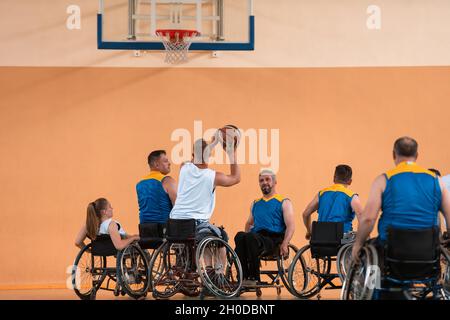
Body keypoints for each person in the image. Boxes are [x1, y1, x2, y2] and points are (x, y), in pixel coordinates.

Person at [351, 137, 450, 297]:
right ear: (417, 155)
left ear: (393, 155)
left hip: (391, 254)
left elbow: (368, 218)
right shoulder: (436, 182)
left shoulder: (384, 180)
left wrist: (358, 244)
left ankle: (374, 292)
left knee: (369, 253)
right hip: (428, 254)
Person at [170, 132, 240, 243]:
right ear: (209, 156)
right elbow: (236, 178)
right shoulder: (213, 176)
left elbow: (194, 159)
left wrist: (212, 144)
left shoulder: (184, 168)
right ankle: (220, 261)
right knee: (222, 236)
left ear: (193, 156)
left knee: (204, 234)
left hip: (174, 224)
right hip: (196, 225)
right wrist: (232, 153)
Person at [234, 169, 295, 285]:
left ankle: (254, 278)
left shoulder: (284, 202)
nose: (264, 182)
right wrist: (248, 239)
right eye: (261, 180)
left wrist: (285, 243)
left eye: (267, 179)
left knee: (251, 238)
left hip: (274, 240)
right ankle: (243, 277)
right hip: (257, 237)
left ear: (275, 182)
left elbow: (291, 226)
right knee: (240, 236)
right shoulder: (255, 203)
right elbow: (249, 223)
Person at [302, 165, 363, 240]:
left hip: (320, 237)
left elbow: (305, 214)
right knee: (358, 237)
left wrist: (310, 231)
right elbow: (361, 217)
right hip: (342, 238)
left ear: (334, 178)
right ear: (350, 181)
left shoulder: (322, 193)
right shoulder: (352, 196)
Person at [75, 198, 140, 250]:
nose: (112, 208)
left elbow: (78, 242)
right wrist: (133, 238)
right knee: (139, 240)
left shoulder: (89, 225)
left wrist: (88, 250)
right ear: (104, 212)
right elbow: (119, 246)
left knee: (134, 236)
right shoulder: (111, 224)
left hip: (103, 249)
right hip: (124, 247)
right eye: (110, 206)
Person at [136, 150, 177, 224]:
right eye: (165, 161)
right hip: (164, 230)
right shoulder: (167, 180)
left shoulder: (139, 184)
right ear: (156, 165)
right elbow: (178, 207)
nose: (169, 163)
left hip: (144, 229)